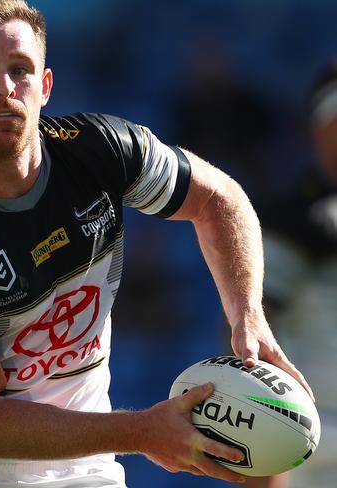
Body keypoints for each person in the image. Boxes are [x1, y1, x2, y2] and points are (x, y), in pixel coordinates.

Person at [0, 1, 312, 487]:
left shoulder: (102, 150)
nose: (4, 87)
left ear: (45, 86)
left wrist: (247, 314)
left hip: (85, 469)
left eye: (20, 70)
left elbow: (219, 199)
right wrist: (144, 431)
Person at [242, 60, 337, 488]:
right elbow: (248, 343)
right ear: (317, 133)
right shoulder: (291, 225)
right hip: (313, 462)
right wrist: (263, 462)